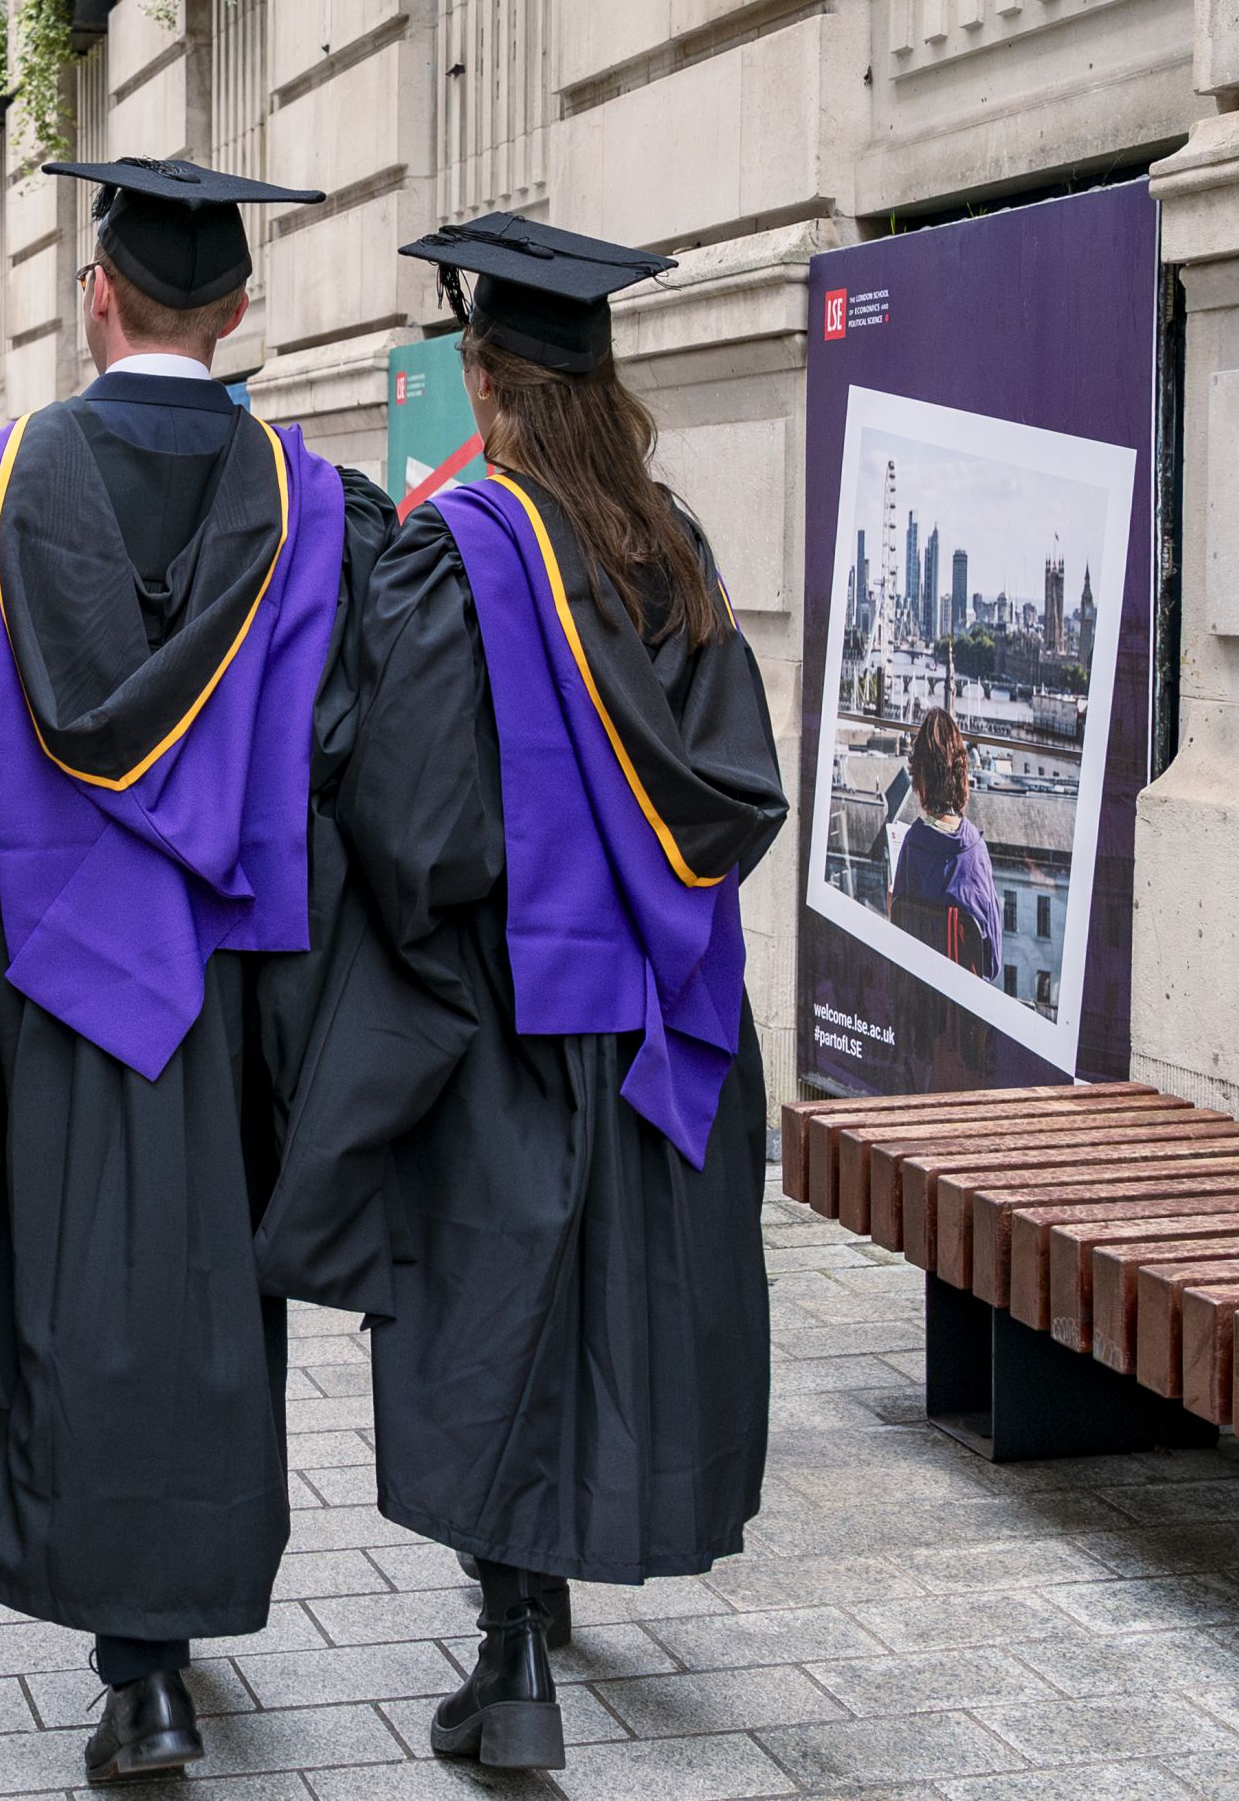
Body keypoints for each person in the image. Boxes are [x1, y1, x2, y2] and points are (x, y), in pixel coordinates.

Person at [0, 156, 391, 1784]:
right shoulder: (316, 506)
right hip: (240, 989)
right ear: (236, 309)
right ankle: (170, 1641)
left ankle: (125, 1656)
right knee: (214, 1295)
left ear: (98, 295)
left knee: (64, 1293)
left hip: (48, 983)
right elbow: (352, 761)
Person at [253, 216, 795, 1771]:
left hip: (509, 1008)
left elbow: (417, 824)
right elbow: (731, 794)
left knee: (495, 1306)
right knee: (619, 1303)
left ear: (486, 383)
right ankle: (551, 1592)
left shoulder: (459, 547)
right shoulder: (671, 545)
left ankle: (511, 1652)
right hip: (662, 1010)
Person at [883, 705, 1001, 980]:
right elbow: (992, 964)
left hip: (916, 1005)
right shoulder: (975, 852)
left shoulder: (911, 844)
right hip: (962, 1013)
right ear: (961, 775)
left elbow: (901, 940)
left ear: (920, 780)